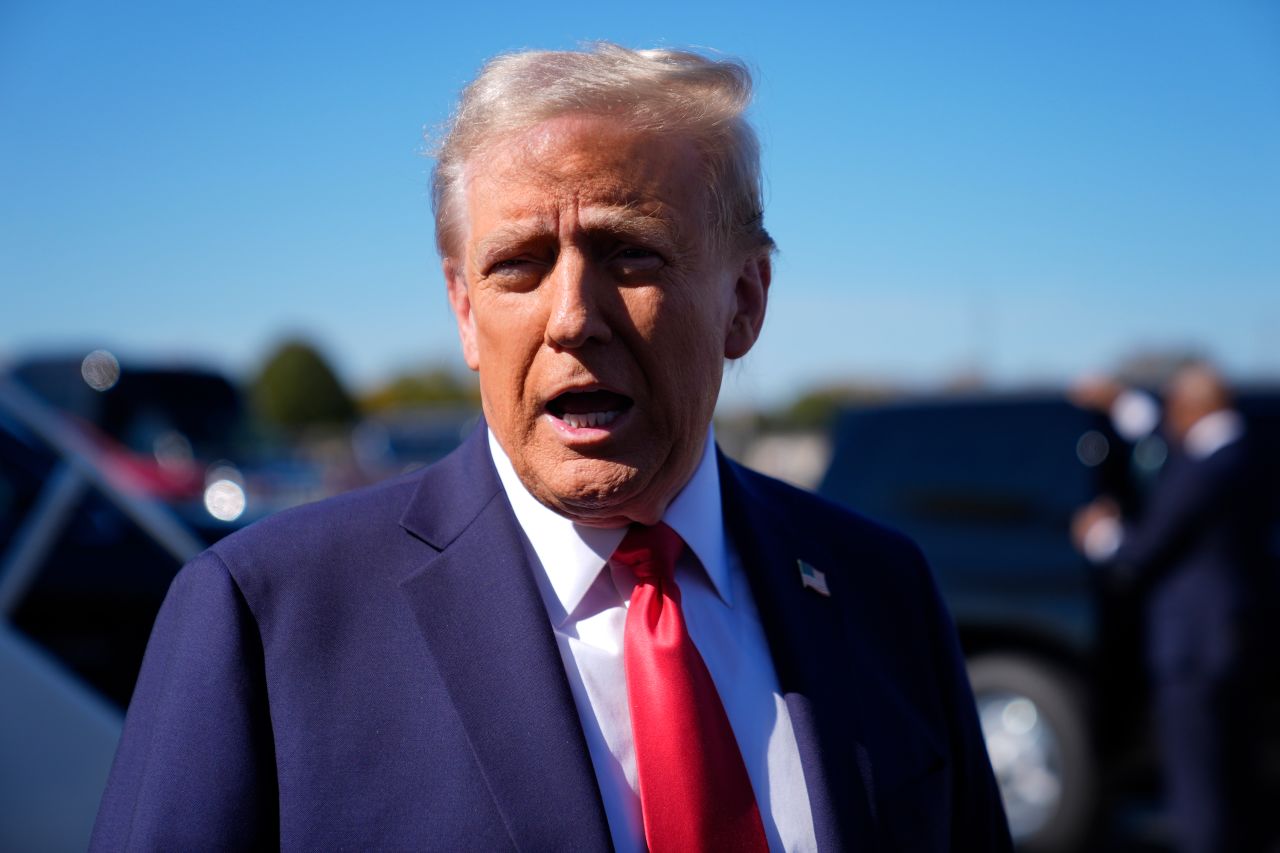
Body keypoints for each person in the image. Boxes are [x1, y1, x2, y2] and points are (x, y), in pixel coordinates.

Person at [91, 44, 1010, 851]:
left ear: (746, 298)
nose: (572, 316)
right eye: (519, 265)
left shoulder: (881, 588)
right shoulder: (265, 617)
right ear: (463, 308)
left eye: (631, 253)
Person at [1073, 363, 1273, 853]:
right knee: (1238, 775)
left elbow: (1144, 549)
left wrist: (1101, 537)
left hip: (1194, 648)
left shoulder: (1204, 470)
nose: (1166, 421)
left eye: (1172, 409)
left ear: (1190, 409)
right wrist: (1122, 402)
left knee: (1198, 783)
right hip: (1239, 640)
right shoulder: (1250, 454)